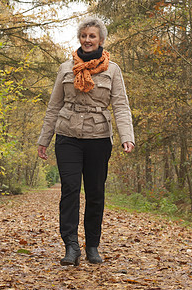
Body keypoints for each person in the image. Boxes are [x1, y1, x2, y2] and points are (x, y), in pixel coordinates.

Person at [37, 16, 135, 266]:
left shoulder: (113, 70)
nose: (88, 40)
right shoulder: (65, 68)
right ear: (79, 39)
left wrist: (127, 137)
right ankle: (71, 245)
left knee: (95, 193)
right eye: (84, 36)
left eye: (92, 36)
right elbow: (54, 106)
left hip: (98, 138)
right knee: (69, 189)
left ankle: (92, 245)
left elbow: (121, 105)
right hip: (67, 136)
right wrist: (44, 139)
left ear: (101, 40)